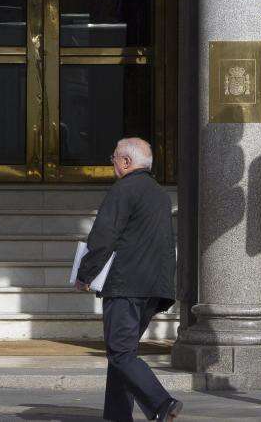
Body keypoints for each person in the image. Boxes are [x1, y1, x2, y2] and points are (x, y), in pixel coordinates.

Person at [76, 138, 181, 421]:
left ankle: (161, 403)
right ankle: (117, 415)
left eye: (114, 158)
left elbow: (103, 236)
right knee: (122, 354)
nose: (112, 163)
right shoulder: (159, 194)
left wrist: (85, 274)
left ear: (126, 162)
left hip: (126, 286)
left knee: (121, 354)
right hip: (152, 288)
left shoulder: (123, 189)